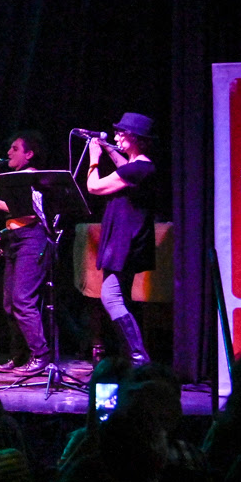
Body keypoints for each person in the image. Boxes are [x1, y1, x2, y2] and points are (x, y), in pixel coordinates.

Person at [84, 113, 157, 365]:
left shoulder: (140, 168)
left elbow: (94, 187)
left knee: (110, 296)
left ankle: (139, 358)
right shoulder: (137, 166)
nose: (115, 136)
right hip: (124, 239)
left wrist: (94, 160)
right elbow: (123, 166)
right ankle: (132, 358)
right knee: (120, 297)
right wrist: (108, 150)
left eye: (120, 133)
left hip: (126, 241)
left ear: (134, 138)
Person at [0, 131, 58, 375]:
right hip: (15, 239)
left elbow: (35, 211)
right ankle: (19, 355)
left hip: (32, 240)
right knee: (9, 303)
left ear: (29, 154)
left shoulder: (34, 177)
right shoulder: (13, 177)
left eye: (15, 149)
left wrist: (0, 205)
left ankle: (41, 354)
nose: (8, 153)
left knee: (23, 301)